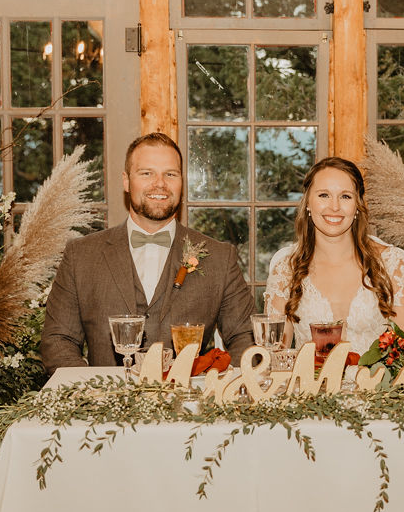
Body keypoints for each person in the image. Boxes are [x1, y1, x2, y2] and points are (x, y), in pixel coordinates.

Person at [41, 132, 255, 371]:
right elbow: (58, 342)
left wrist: (215, 390)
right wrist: (94, 394)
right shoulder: (81, 255)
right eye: (147, 173)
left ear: (182, 182)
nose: (160, 184)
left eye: (170, 174)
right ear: (126, 180)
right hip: (104, 403)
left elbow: (246, 339)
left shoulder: (220, 258)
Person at [264, 156, 404, 353]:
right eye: (324, 195)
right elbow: (275, 355)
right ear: (308, 203)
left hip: (379, 383)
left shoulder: (391, 264)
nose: (334, 207)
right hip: (309, 383)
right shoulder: (287, 268)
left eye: (345, 196)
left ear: (357, 205)